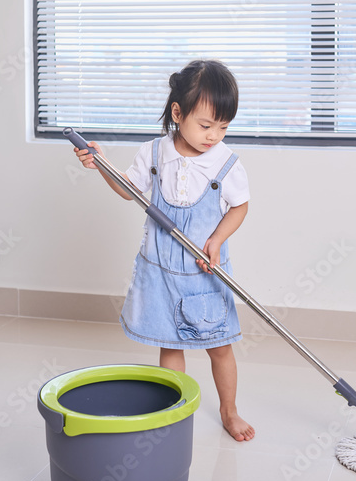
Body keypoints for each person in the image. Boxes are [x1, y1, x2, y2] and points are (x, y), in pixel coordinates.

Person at [75, 59, 255, 442]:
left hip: (203, 272)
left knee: (220, 347)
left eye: (223, 127)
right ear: (178, 112)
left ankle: (229, 410)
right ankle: (176, 413)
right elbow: (128, 190)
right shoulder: (154, 153)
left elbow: (240, 206)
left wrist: (217, 240)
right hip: (159, 270)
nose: (213, 136)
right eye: (206, 125)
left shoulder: (225, 162)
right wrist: (100, 164)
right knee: (170, 347)